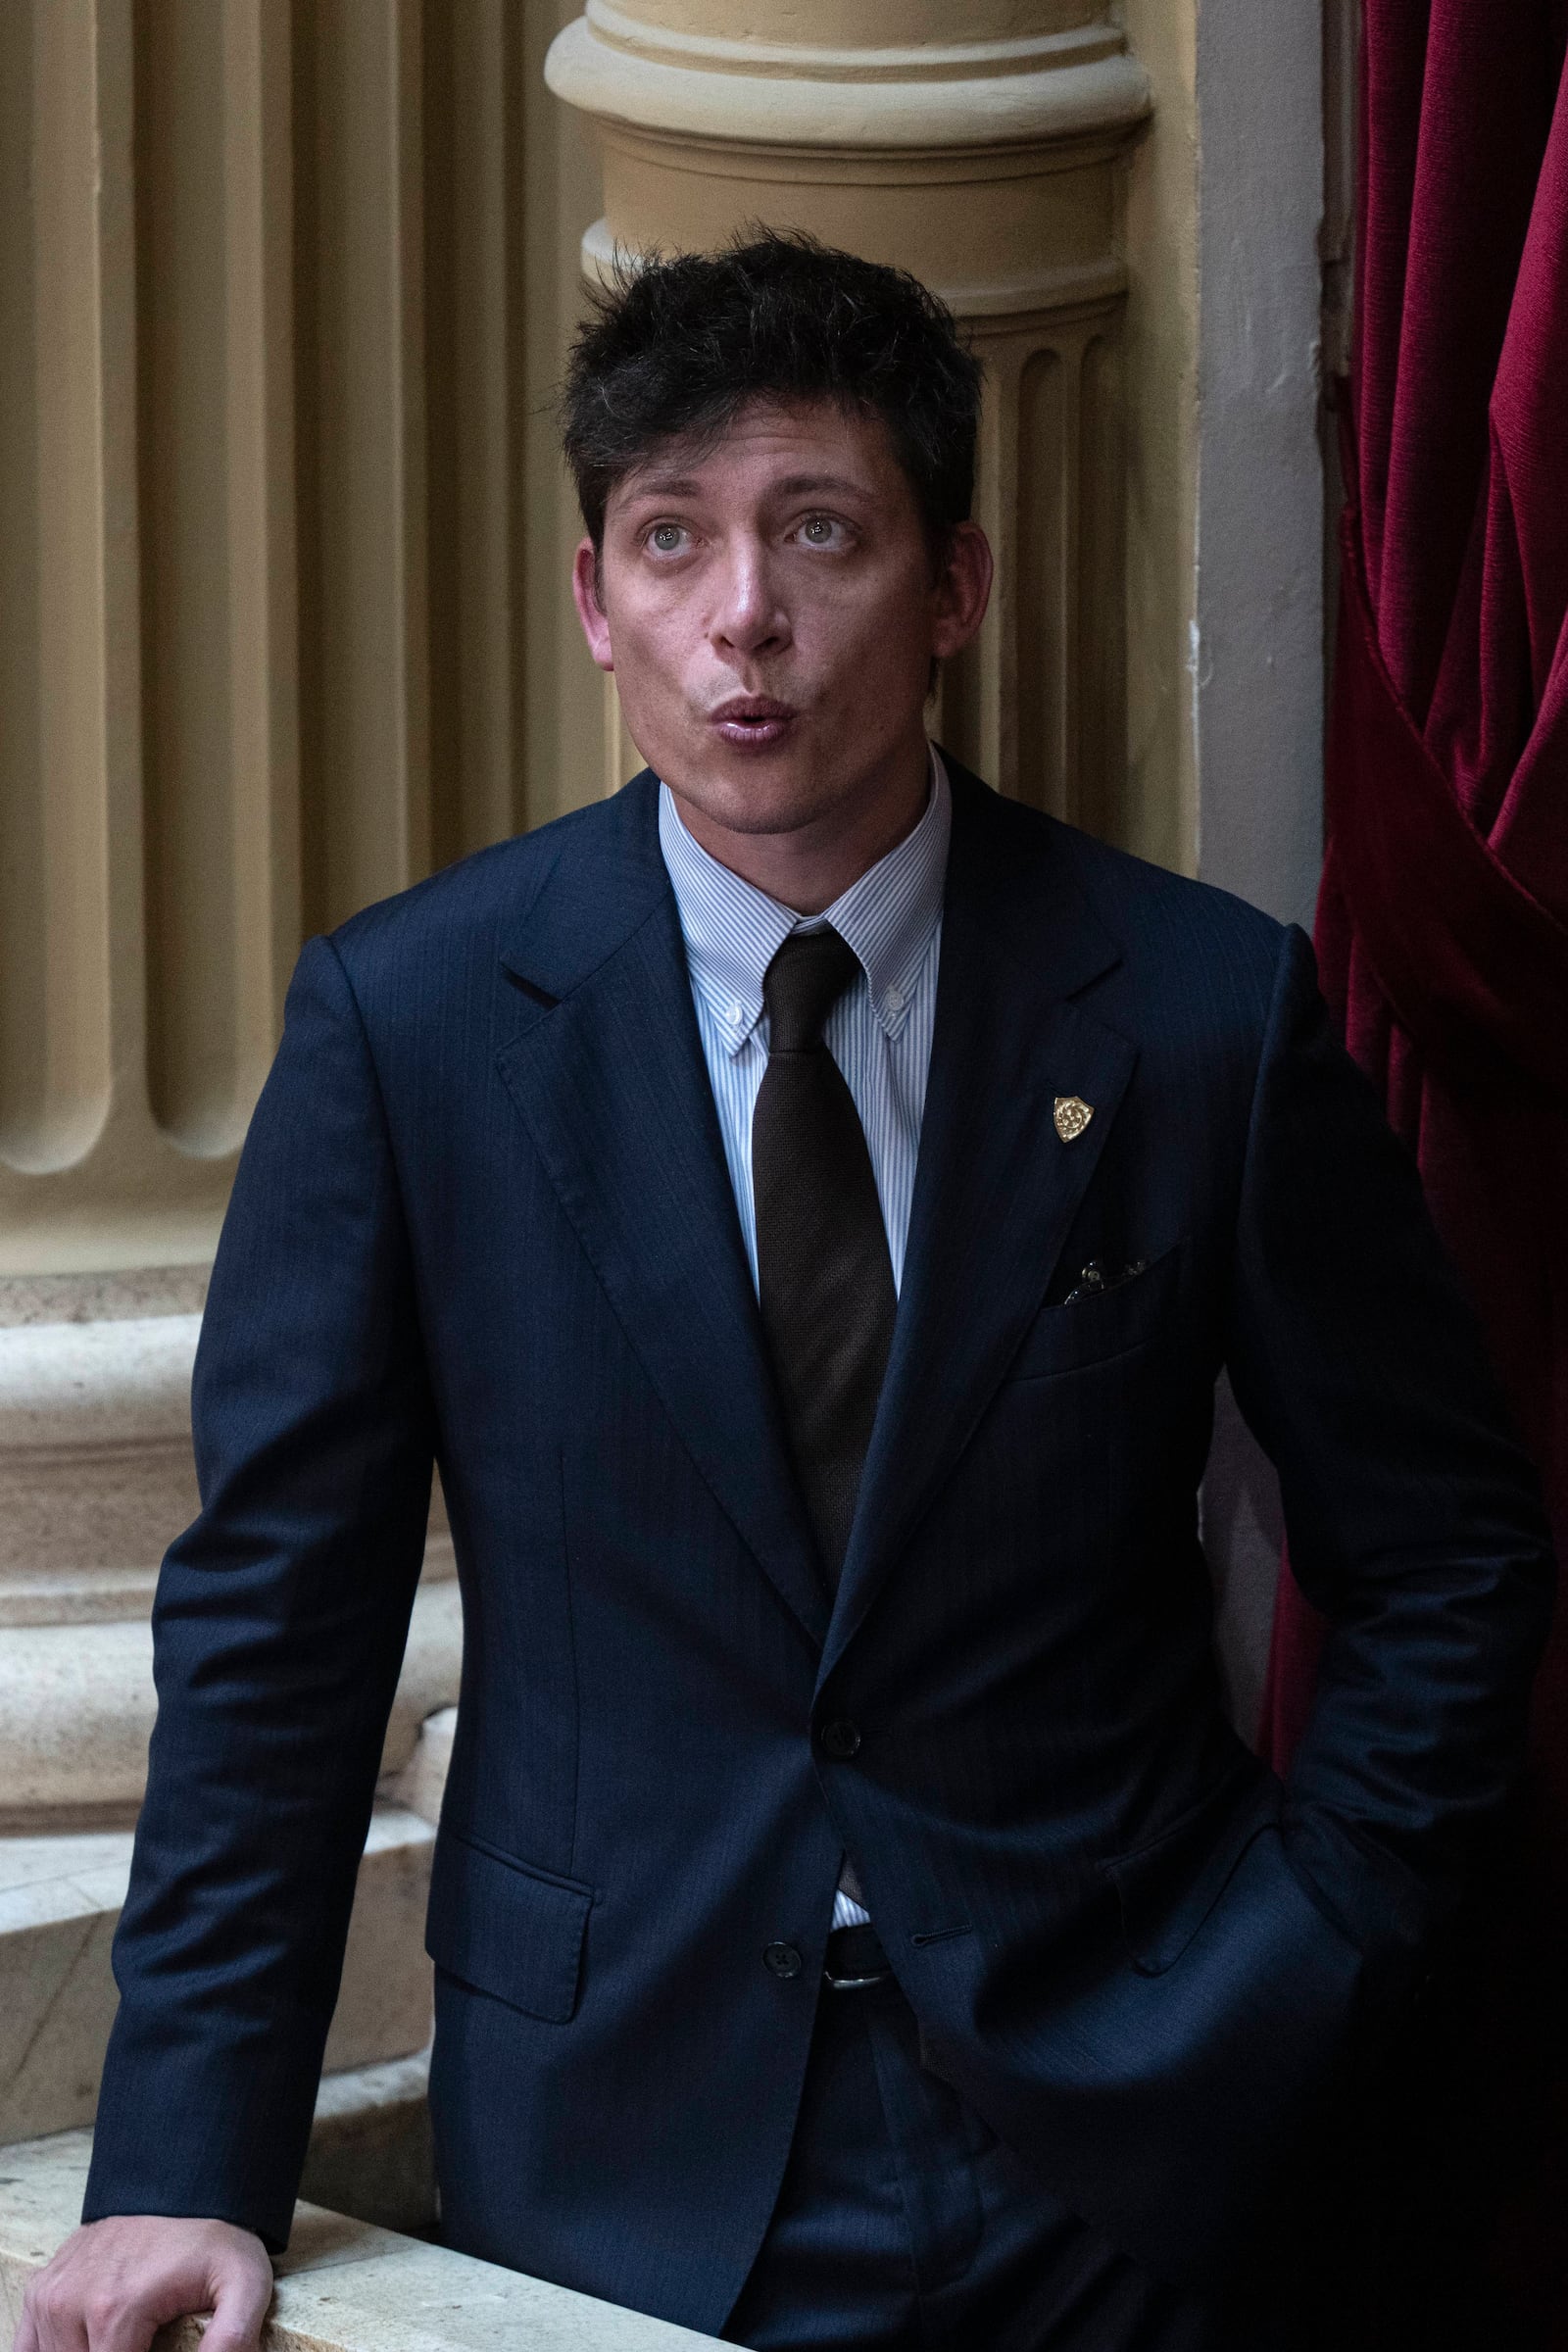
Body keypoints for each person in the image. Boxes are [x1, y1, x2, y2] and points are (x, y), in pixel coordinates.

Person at [18, 232, 1552, 2352]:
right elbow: (282, 1617)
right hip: (617, 2137)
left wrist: (1301, 1951)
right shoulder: (418, 1025)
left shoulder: (1200, 1014)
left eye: (817, 530)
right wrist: (183, 2166)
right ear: (595, 607)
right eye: (671, 540)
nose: (744, 615)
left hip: (1141, 2133)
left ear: (953, 591)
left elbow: (1447, 1558)